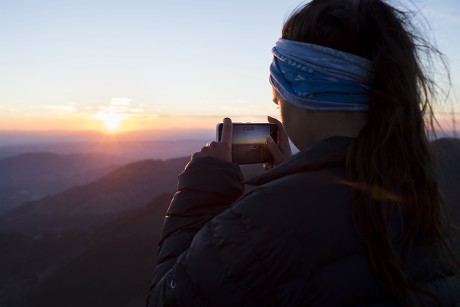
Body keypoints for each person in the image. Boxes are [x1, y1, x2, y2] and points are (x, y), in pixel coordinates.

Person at [147, 0, 460, 305]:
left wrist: (202, 190)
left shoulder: (259, 226)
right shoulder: (417, 196)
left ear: (305, 93)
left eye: (278, 99)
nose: (277, 109)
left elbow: (169, 297)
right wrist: (295, 176)